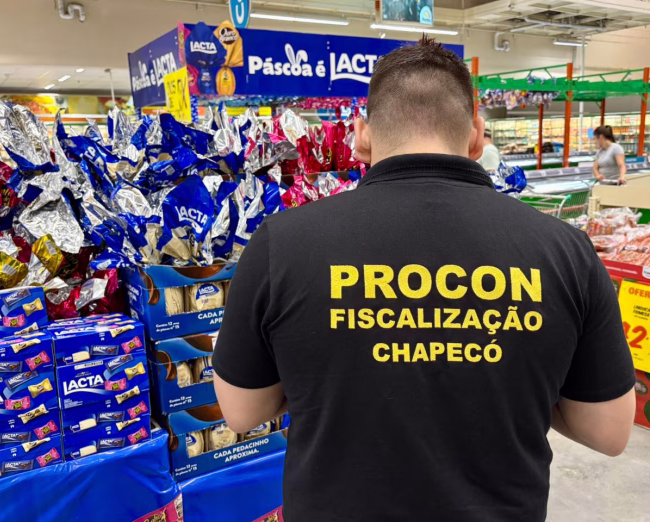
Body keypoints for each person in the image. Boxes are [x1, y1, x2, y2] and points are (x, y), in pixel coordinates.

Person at [213, 37, 636, 522]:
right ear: (477, 135)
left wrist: (322, 376)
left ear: (361, 135)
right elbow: (608, 430)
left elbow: (242, 412)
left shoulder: (281, 243)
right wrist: (528, 387)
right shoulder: (565, 250)